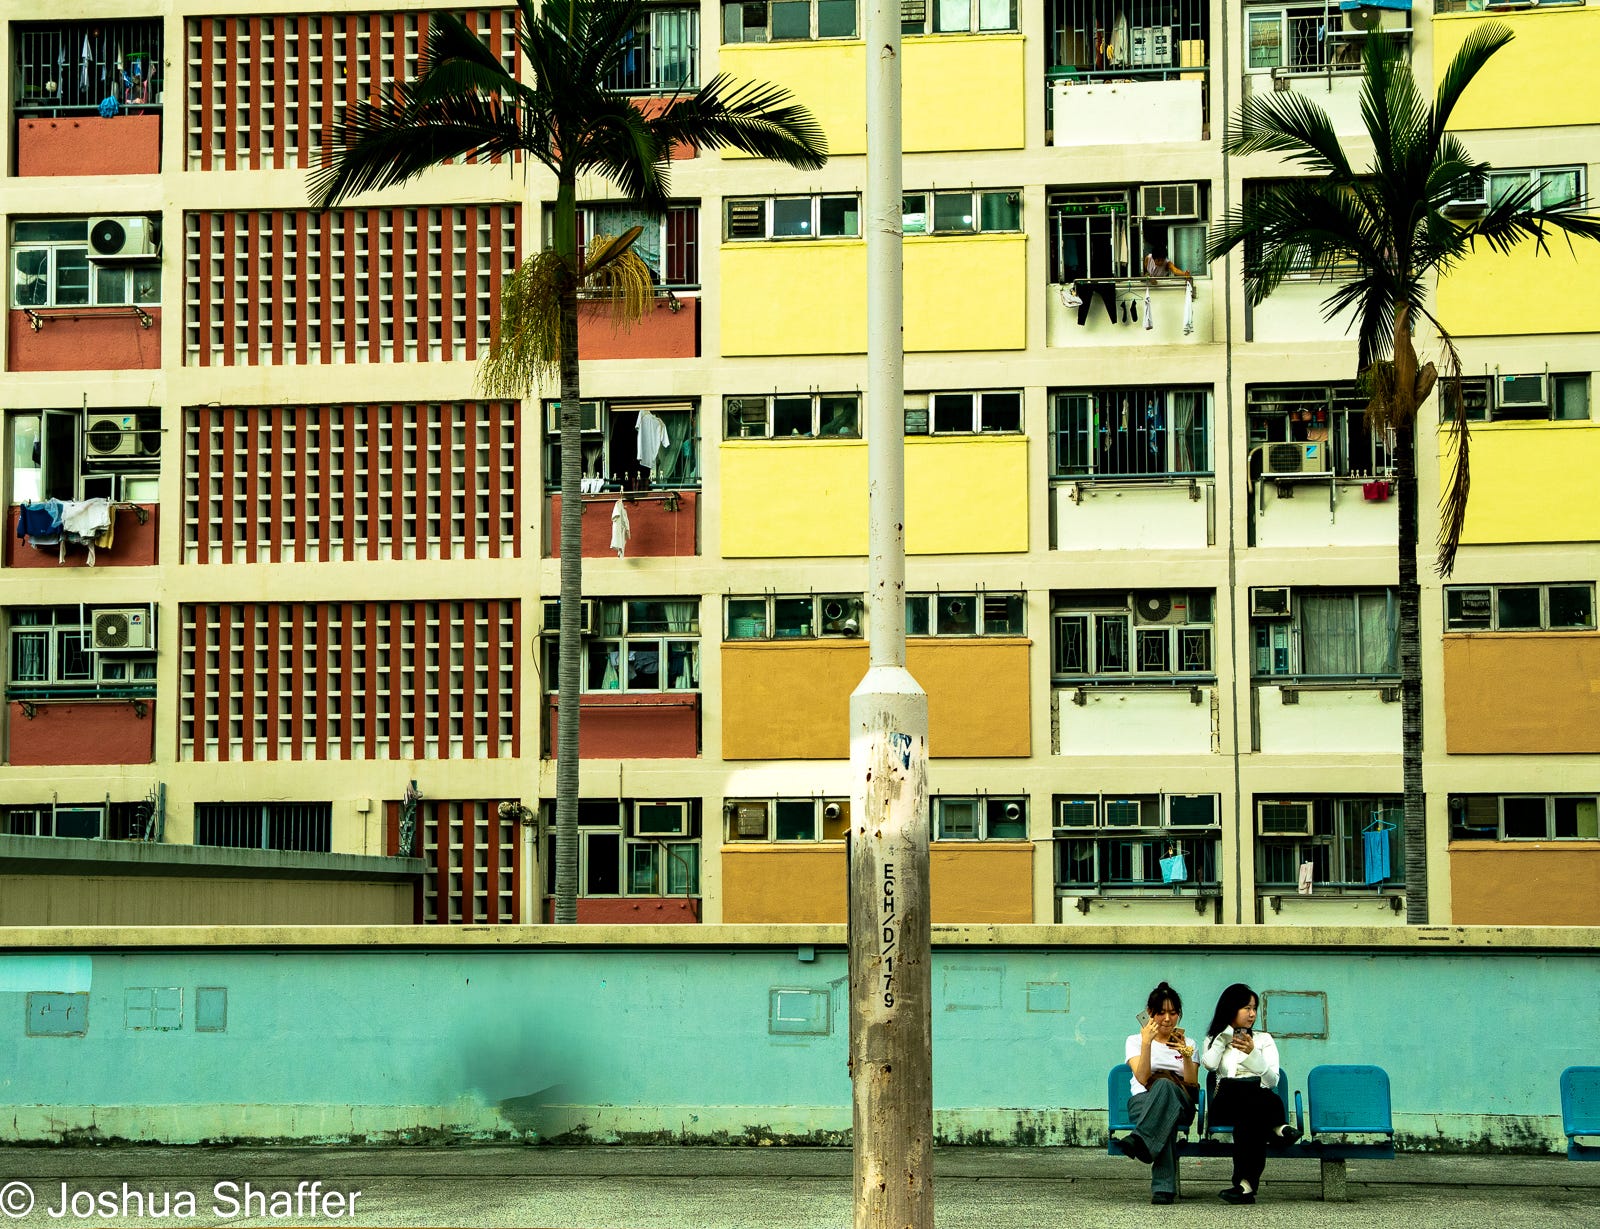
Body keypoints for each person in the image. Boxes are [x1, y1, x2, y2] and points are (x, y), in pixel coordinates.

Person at [1200, 983, 1302, 1205]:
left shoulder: (1264, 1040)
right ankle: (1278, 1127)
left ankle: (1245, 1186)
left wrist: (1253, 1054)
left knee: (1251, 1118)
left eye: (1254, 1008)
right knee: (1252, 1097)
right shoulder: (1213, 1038)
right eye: (1247, 1008)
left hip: (1254, 1106)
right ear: (1231, 1009)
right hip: (1225, 1102)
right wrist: (1223, 1039)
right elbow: (1209, 1065)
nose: (1252, 1014)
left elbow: (1272, 1081)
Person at [1112, 981, 1197, 1205]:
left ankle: (1139, 1139)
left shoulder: (1189, 1043)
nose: (1167, 1019)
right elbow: (1141, 1078)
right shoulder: (1134, 1041)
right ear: (1150, 1013)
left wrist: (1186, 1055)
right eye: (1161, 1013)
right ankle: (1162, 1189)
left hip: (1181, 1102)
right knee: (1164, 1115)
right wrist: (1147, 1043)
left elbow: (1191, 1083)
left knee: (1165, 1087)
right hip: (1143, 1102)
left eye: (1173, 1013)